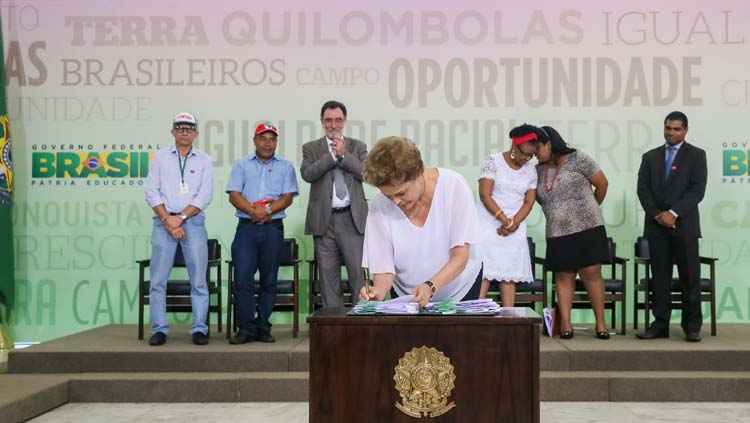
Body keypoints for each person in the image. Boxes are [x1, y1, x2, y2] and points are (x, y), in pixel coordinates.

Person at [359, 136, 483, 306]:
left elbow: (460, 256)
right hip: (407, 294)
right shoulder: (379, 206)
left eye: (401, 193)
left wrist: (430, 286)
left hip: (460, 288)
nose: (395, 202)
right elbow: (383, 268)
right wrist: (377, 292)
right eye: (389, 196)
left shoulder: (454, 185)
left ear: (418, 173)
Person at [636, 111, 707, 343]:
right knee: (660, 279)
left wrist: (673, 213)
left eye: (676, 129)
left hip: (684, 226)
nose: (671, 132)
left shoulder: (697, 155)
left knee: (689, 278)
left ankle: (692, 326)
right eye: (668, 128)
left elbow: (697, 190)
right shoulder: (650, 156)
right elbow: (643, 190)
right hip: (656, 228)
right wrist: (658, 215)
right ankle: (660, 325)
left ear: (685, 130)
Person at [144, 112, 213, 346]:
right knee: (157, 280)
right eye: (180, 127)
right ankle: (160, 329)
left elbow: (205, 195)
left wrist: (181, 217)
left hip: (192, 222)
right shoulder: (159, 158)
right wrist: (168, 220)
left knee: (199, 280)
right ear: (172, 131)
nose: (184, 131)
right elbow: (151, 191)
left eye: (189, 128)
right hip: (163, 223)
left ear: (195, 133)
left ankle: (200, 329)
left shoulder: (204, 160)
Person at [535, 126, 610, 339]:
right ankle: (566, 326)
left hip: (588, 228)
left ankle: (601, 325)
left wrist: (592, 207)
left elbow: (602, 183)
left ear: (549, 143)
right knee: (563, 276)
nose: (534, 153)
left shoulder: (579, 159)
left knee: (591, 274)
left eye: (537, 148)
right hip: (558, 232)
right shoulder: (537, 170)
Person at [227, 123, 298, 344]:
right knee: (243, 279)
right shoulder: (241, 165)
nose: (268, 143)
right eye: (263, 138)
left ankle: (263, 326)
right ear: (255, 140)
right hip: (247, 228)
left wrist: (266, 210)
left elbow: (287, 197)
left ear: (276, 142)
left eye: (272, 139)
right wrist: (252, 211)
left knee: (269, 280)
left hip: (273, 229)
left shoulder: (286, 167)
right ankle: (246, 328)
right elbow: (234, 194)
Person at [301, 100, 368, 309]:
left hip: (352, 218)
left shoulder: (357, 146)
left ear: (344, 121)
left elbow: (367, 173)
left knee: (358, 274)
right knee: (328, 277)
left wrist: (344, 156)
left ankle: (362, 323)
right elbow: (308, 174)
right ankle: (335, 327)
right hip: (324, 221)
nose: (333, 124)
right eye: (328, 120)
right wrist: (331, 157)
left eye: (338, 120)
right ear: (322, 122)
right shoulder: (311, 148)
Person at [477, 124, 539, 306]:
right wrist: (504, 220)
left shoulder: (530, 170)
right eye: (524, 154)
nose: (526, 159)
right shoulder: (493, 161)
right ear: (514, 146)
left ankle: (509, 321)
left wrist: (514, 223)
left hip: (515, 227)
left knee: (509, 276)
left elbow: (529, 201)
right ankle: (475, 320)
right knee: (484, 274)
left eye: (531, 156)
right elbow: (485, 194)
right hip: (489, 224)